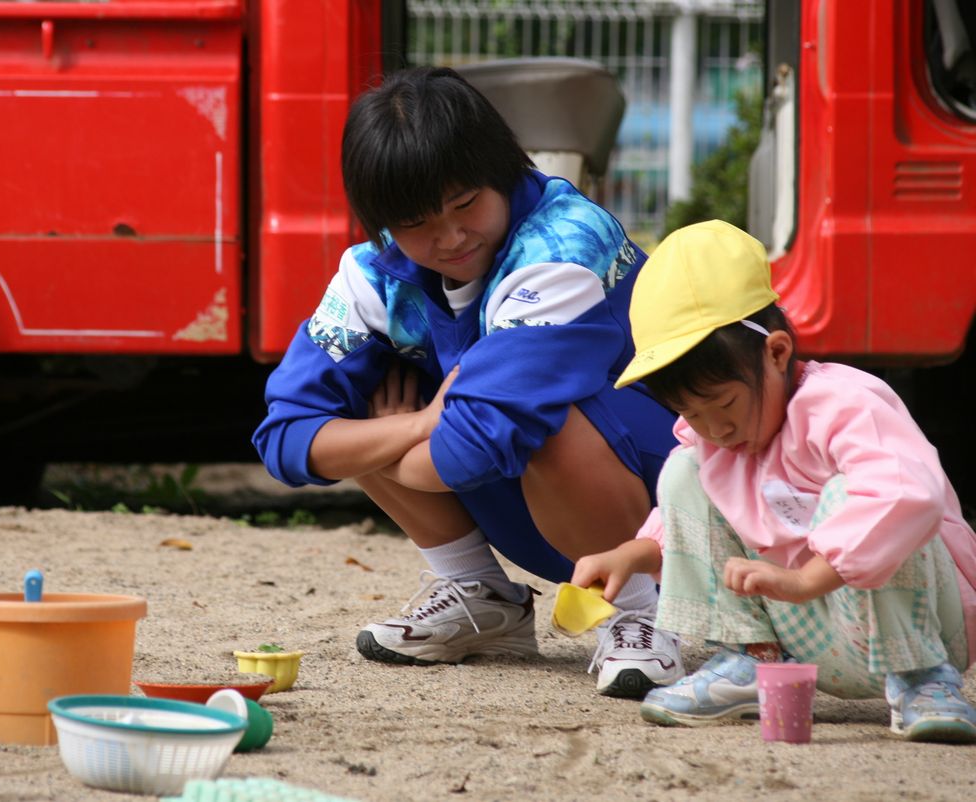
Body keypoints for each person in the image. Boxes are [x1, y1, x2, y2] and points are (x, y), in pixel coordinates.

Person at [253, 66, 684, 698]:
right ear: (381, 222)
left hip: (671, 515)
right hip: (535, 507)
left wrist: (396, 440)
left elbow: (474, 447)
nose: (450, 237)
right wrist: (419, 425)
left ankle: (641, 615)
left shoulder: (565, 246)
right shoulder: (375, 273)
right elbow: (285, 436)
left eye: (466, 204)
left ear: (505, 170)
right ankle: (481, 595)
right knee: (368, 410)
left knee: (541, 422)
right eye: (418, 222)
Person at [573, 219, 976, 742]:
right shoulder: (718, 441)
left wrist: (807, 581)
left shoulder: (845, 404)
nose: (715, 428)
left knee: (862, 494)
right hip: (819, 634)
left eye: (724, 403)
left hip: (921, 629)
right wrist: (635, 553)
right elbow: (699, 511)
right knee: (685, 468)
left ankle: (925, 681)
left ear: (777, 352)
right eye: (690, 413)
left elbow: (907, 496)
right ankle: (751, 659)